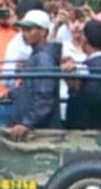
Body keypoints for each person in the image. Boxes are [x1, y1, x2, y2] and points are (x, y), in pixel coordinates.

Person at [8, 9, 62, 139]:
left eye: (29, 29)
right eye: (23, 30)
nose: (24, 34)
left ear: (43, 32)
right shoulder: (36, 56)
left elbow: (44, 95)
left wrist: (27, 123)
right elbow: (30, 90)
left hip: (39, 134)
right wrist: (10, 93)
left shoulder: (43, 58)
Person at [63, 19, 101, 130]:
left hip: (85, 129)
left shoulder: (91, 67)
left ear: (84, 39)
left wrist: (74, 84)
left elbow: (93, 97)